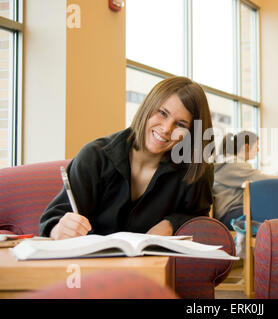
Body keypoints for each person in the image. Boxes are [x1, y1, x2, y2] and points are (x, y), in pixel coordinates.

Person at [40, 76, 214, 239]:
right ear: (147, 107)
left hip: (152, 268)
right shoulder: (95, 156)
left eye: (180, 124)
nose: (167, 129)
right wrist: (59, 230)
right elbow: (53, 219)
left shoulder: (196, 169)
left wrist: (171, 223)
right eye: (162, 113)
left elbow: (198, 218)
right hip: (90, 266)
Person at [213, 131, 278, 230]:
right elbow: (263, 179)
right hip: (229, 215)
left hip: (228, 213)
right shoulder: (234, 165)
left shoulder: (228, 163)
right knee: (274, 212)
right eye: (256, 146)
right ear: (246, 147)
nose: (258, 150)